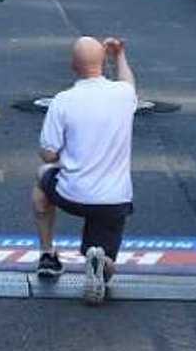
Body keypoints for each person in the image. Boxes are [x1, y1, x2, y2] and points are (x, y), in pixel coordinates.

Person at [32, 37, 136, 306]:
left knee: (42, 175)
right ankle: (102, 263)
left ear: (72, 66)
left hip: (72, 193)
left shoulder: (63, 101)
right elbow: (128, 82)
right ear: (103, 62)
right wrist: (120, 56)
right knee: (107, 262)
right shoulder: (124, 95)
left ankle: (48, 254)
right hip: (114, 200)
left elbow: (49, 153)